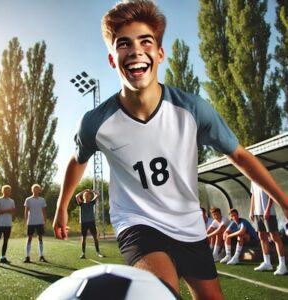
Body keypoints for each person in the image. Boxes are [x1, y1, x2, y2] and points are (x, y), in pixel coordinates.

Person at [53, 1, 288, 298]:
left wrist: (283, 199)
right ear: (113, 59)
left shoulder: (192, 109)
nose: (136, 50)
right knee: (159, 294)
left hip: (189, 226)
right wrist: (62, 206)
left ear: (159, 54)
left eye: (145, 41)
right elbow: (78, 160)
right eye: (123, 44)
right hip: (137, 223)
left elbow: (238, 155)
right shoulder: (95, 122)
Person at [249, 181, 287, 275]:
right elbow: (253, 196)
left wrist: (268, 209)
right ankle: (267, 263)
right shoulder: (252, 181)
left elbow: (271, 194)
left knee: (275, 237)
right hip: (258, 213)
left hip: (269, 213)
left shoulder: (262, 176)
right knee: (262, 237)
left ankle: (282, 265)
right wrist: (251, 211)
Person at [0, 185, 16, 266]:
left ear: (10, 192)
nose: (7, 192)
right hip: (0, 224)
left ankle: (2, 257)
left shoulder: (12, 201)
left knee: (5, 241)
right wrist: (7, 210)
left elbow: (13, 212)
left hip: (8, 224)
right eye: (5, 190)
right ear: (2, 191)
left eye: (8, 190)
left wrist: (11, 211)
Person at [76, 189, 104, 259]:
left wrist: (91, 191)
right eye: (86, 196)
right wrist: (84, 190)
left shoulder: (92, 202)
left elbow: (97, 194)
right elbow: (76, 196)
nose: (87, 197)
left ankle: (98, 252)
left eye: (88, 196)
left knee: (95, 237)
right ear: (84, 197)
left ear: (90, 197)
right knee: (84, 238)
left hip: (91, 222)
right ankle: (83, 253)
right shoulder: (81, 204)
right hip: (84, 223)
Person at [24, 184, 47, 263]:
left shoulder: (42, 200)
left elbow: (44, 211)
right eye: (34, 189)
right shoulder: (28, 199)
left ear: (39, 190)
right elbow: (26, 211)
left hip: (40, 222)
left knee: (40, 238)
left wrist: (44, 221)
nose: (36, 190)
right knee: (29, 238)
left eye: (37, 189)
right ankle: (27, 256)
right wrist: (26, 221)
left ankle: (41, 256)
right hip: (31, 222)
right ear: (32, 190)